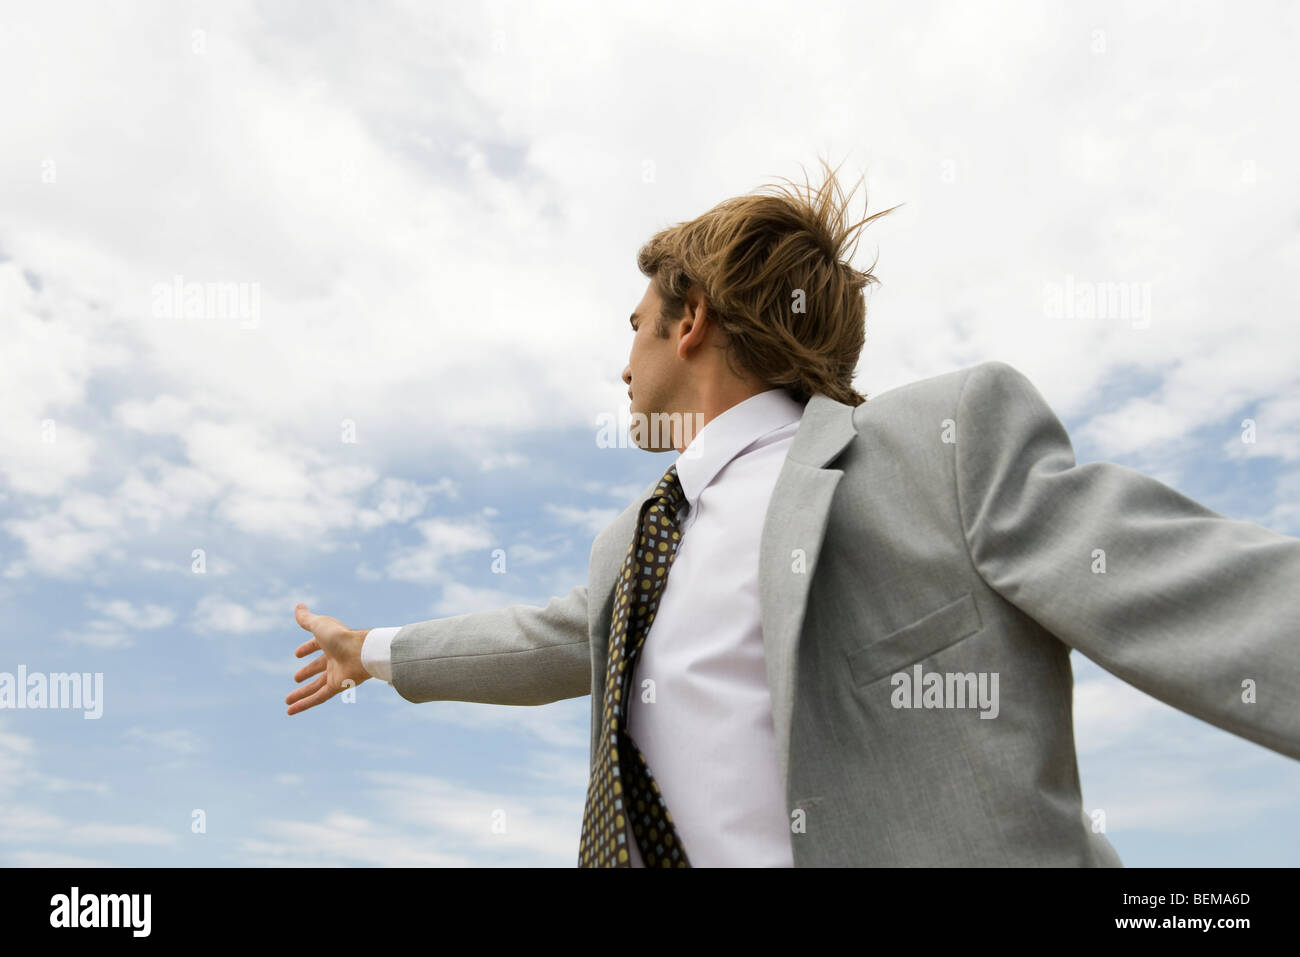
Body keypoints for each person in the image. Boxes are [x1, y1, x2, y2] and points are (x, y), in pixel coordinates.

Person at [286, 159, 1300, 866]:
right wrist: (370, 652)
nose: (620, 358)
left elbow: (1198, 594)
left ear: (688, 321)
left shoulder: (937, 447)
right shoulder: (631, 553)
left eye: (633, 324)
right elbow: (547, 640)